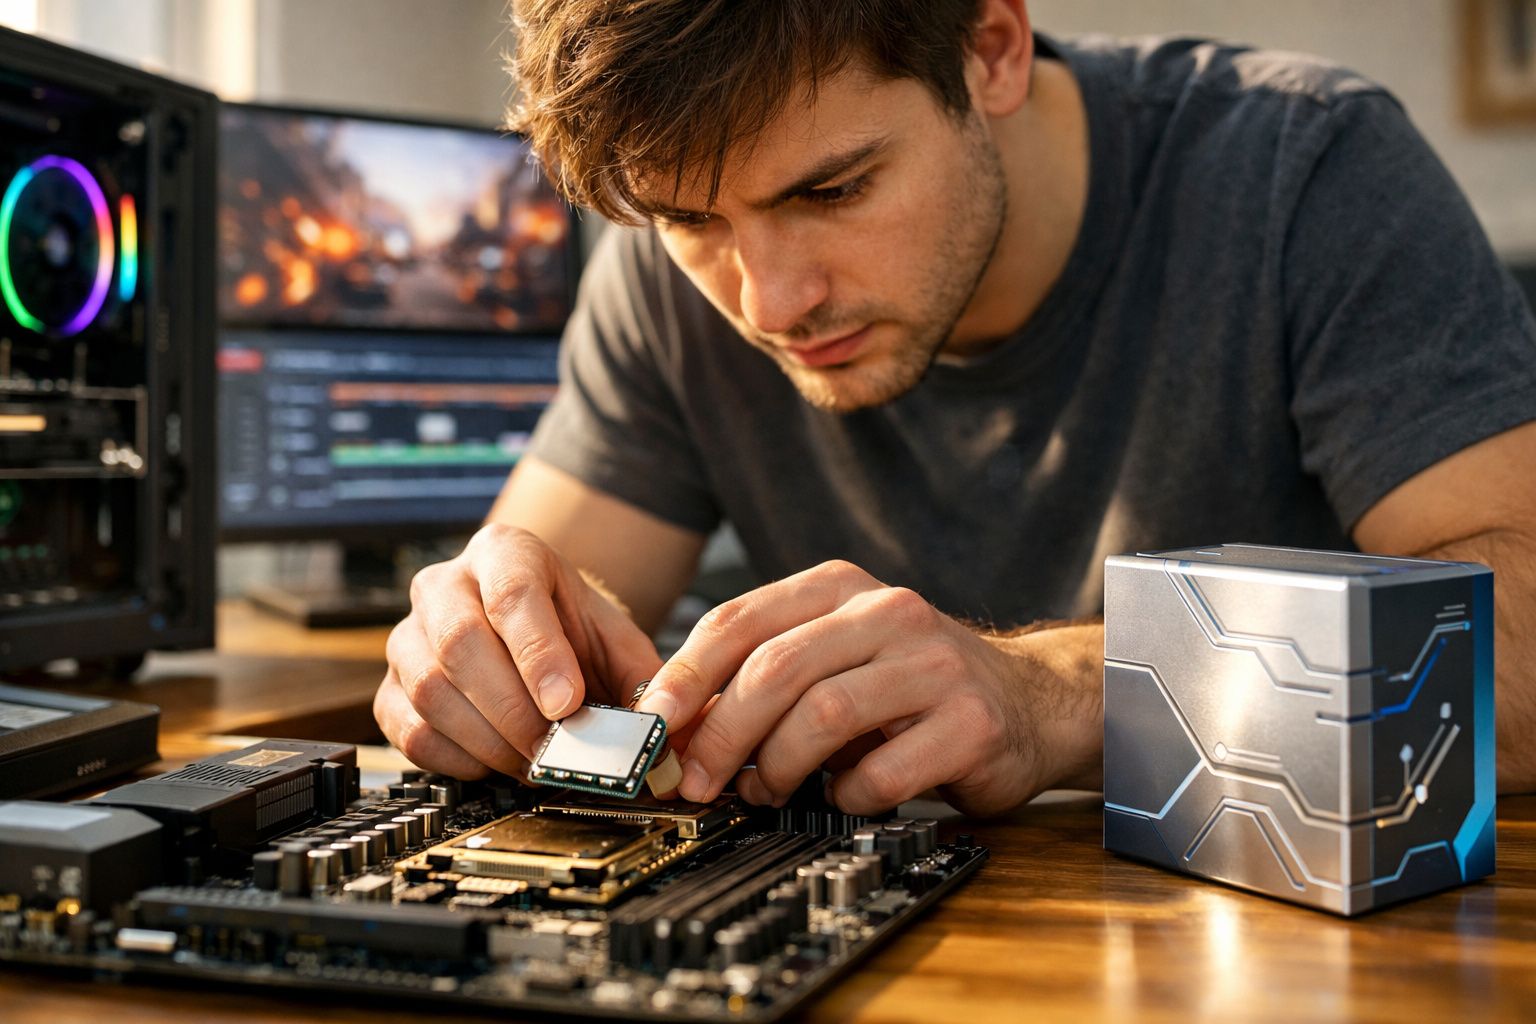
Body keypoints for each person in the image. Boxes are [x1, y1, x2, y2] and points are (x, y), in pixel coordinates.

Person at [373, 0, 1536, 815]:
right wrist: (480, 645)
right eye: (687, 220)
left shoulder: (1306, 170)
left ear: (992, 48)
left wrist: (1058, 695)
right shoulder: (666, 281)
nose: (769, 302)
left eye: (833, 190)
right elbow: (543, 600)